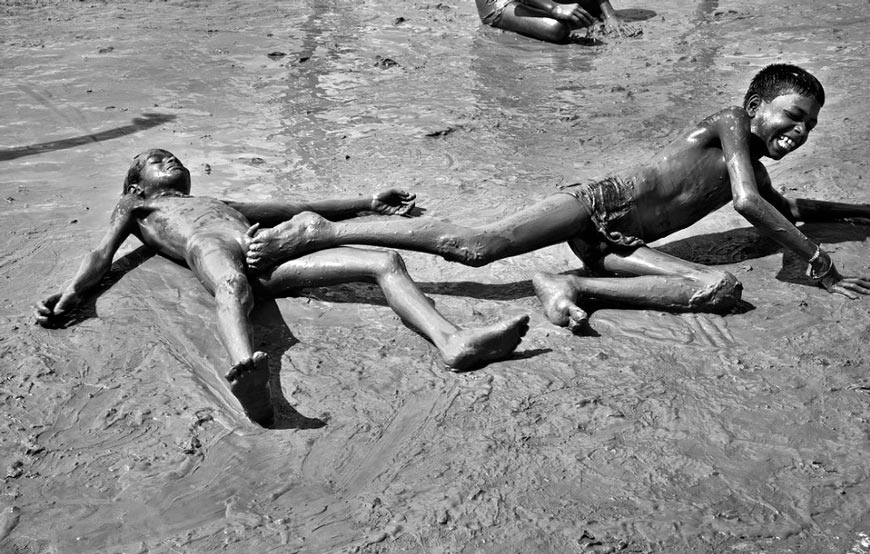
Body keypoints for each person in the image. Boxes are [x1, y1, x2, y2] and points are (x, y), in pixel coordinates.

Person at [245, 64, 870, 333]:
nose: (799, 131)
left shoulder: (757, 172)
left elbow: (789, 209)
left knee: (718, 288)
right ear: (759, 106)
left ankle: (568, 286)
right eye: (793, 115)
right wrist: (818, 261)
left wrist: (859, 215)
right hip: (602, 202)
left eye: (810, 126)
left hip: (618, 243)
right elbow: (748, 204)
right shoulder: (732, 122)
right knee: (477, 248)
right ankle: (321, 232)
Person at [35, 149, 530, 426]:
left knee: (384, 260)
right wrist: (76, 293)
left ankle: (452, 341)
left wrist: (368, 200)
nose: (169, 160)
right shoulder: (137, 207)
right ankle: (248, 378)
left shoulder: (219, 199)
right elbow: (103, 254)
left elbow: (293, 204)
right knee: (230, 284)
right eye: (155, 159)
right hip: (209, 248)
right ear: (136, 185)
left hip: (262, 253)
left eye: (173, 157)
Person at [475, 0, 640, 44]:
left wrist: (609, 13)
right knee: (557, 29)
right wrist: (555, 7)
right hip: (499, 3)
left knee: (587, 7)